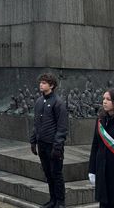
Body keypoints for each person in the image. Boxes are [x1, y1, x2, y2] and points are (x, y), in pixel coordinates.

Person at [30, 72, 68, 208]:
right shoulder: (39, 101)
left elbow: (62, 127)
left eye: (44, 83)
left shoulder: (58, 103)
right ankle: (52, 200)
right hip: (42, 144)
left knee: (56, 174)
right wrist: (33, 141)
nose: (41, 84)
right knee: (48, 173)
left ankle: (60, 202)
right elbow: (36, 123)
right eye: (41, 82)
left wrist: (57, 146)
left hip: (53, 145)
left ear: (51, 85)